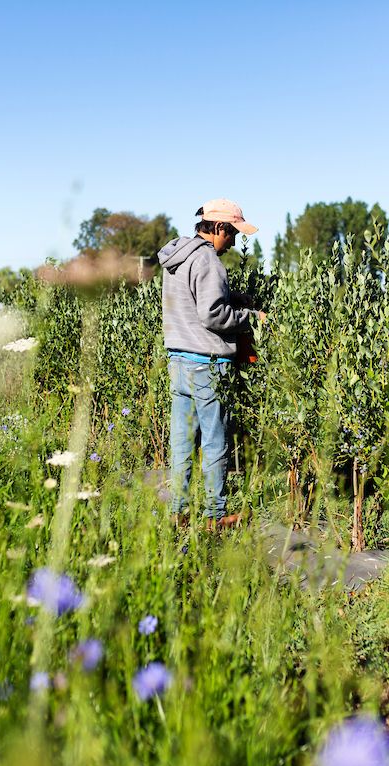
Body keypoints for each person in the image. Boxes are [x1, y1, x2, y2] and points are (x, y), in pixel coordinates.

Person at [157, 199, 266, 529]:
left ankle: (177, 511)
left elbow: (193, 302)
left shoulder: (178, 258)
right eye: (231, 233)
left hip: (178, 360)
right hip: (207, 363)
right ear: (218, 228)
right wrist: (251, 316)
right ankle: (215, 516)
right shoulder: (208, 260)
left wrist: (233, 299)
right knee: (215, 442)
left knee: (181, 443)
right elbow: (211, 315)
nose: (233, 242)